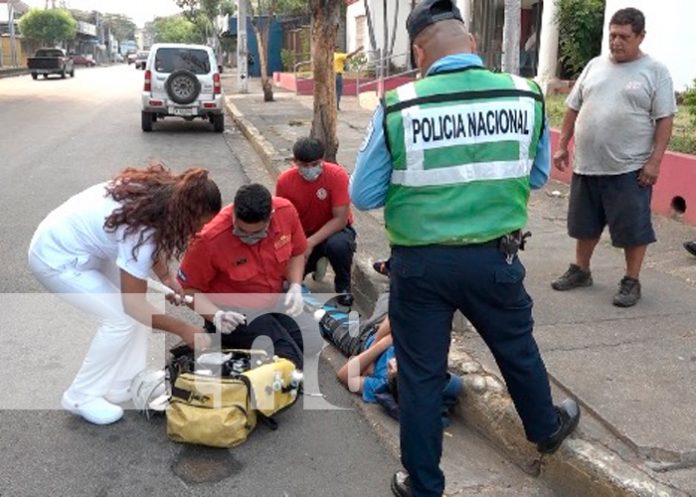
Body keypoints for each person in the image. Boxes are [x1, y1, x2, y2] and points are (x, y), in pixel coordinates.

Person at [349, 2, 580, 496]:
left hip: (420, 267)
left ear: (419, 52)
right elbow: (537, 175)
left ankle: (423, 485)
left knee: (420, 373)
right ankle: (544, 429)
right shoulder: (525, 94)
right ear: (471, 42)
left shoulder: (400, 104)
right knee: (517, 350)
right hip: (496, 259)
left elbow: (364, 195)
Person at [27, 164, 221, 426]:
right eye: (197, 225)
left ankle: (125, 382)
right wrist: (185, 329)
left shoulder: (161, 197)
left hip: (83, 245)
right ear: (184, 214)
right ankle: (81, 396)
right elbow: (134, 305)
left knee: (136, 310)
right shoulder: (143, 232)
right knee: (122, 317)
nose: (197, 233)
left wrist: (166, 278)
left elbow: (152, 244)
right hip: (56, 256)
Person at [551, 7, 676, 308]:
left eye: (624, 37)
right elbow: (573, 107)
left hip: (629, 167)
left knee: (632, 229)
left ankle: (631, 280)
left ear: (641, 36)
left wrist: (655, 162)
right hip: (588, 164)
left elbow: (665, 119)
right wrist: (562, 144)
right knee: (584, 224)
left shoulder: (655, 71)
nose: (616, 42)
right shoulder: (594, 65)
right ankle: (581, 270)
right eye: (612, 35)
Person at [176, 183, 312, 369]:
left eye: (256, 233)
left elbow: (297, 252)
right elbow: (187, 289)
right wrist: (216, 315)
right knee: (288, 360)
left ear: (270, 217)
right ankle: (223, 347)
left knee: (310, 342)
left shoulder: (285, 212)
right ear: (233, 215)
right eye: (240, 231)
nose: (248, 237)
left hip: (274, 297)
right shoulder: (208, 239)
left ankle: (229, 347)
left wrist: (295, 285)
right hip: (236, 312)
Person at [276, 137, 356, 307]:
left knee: (339, 246)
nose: (310, 169)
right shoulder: (285, 181)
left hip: (334, 231)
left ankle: (343, 286)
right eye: (305, 165)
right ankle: (312, 268)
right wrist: (295, 247)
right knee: (283, 281)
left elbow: (340, 219)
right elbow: (283, 220)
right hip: (303, 233)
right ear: (295, 162)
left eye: (315, 164)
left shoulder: (337, 175)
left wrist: (310, 242)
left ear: (322, 159)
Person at [334, 45, 363, 111]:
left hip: (331, 75)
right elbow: (349, 55)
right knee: (338, 91)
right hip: (337, 75)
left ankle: (332, 106)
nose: (338, 49)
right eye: (337, 48)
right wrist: (357, 50)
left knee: (332, 91)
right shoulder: (338, 55)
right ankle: (336, 106)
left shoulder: (329, 56)